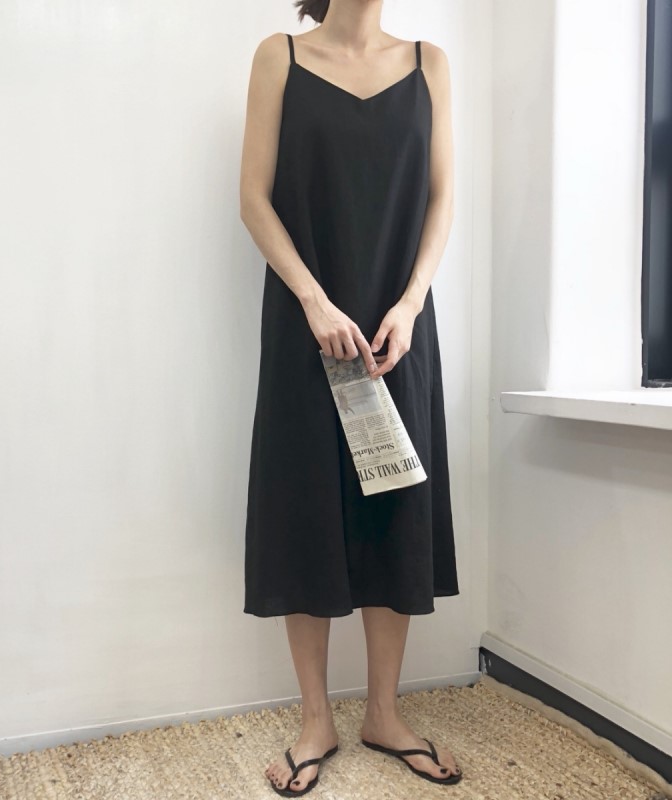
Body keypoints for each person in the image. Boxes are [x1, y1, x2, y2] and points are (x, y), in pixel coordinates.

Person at [239, 0, 462, 795]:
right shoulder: (280, 57)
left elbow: (441, 198)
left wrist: (411, 303)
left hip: (397, 330)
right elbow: (254, 199)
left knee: (395, 507)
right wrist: (312, 300)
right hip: (309, 326)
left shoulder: (430, 63)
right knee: (305, 506)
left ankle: (383, 713)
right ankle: (315, 721)